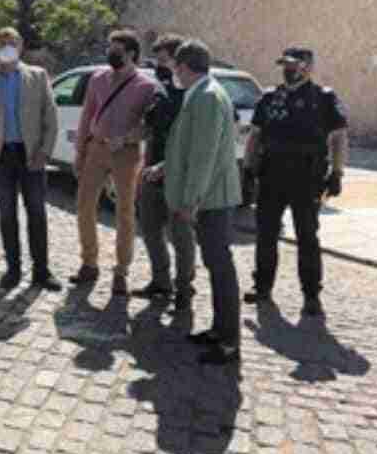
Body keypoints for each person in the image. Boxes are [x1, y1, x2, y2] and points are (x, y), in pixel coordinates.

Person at [146, 39, 241, 364]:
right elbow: (188, 147)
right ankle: (218, 329)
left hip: (212, 198)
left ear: (184, 67)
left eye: (175, 68)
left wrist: (189, 201)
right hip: (208, 197)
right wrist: (164, 167)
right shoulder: (201, 93)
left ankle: (228, 341)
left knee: (220, 267)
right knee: (216, 266)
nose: (174, 74)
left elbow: (204, 156)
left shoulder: (208, 97)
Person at [242, 47, 349, 316]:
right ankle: (262, 287)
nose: (287, 70)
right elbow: (255, 135)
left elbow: (338, 138)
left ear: (307, 67)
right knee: (266, 234)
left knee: (307, 237)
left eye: (293, 65)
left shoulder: (323, 98)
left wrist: (337, 173)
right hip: (271, 175)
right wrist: (248, 167)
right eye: (285, 65)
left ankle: (311, 295)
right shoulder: (270, 97)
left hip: (307, 178)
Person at [0, 27, 62, 291]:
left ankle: (41, 271)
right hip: (1, 157)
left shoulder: (38, 76)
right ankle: (13, 269)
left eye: (12, 42)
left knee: (37, 214)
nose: (7, 46)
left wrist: (44, 152)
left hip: (31, 154)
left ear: (21, 46)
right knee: (7, 214)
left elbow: (50, 119)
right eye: (2, 43)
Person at [70, 28, 158, 294]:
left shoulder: (146, 86)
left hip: (126, 154)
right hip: (96, 148)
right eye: (110, 48)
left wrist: (129, 138)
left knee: (125, 213)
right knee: (84, 206)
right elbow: (87, 115)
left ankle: (121, 271)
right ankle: (89, 263)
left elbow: (149, 126)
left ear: (131, 53)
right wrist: (79, 152)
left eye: (116, 50)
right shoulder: (98, 78)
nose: (111, 54)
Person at [132, 34, 197, 311]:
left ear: (178, 61)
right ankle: (161, 281)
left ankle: (184, 288)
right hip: (152, 170)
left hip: (178, 174)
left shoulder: (193, 93)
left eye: (163, 60)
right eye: (156, 60)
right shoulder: (160, 89)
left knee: (181, 235)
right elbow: (151, 128)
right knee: (149, 228)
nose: (158, 66)